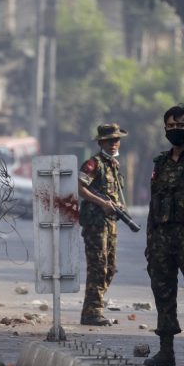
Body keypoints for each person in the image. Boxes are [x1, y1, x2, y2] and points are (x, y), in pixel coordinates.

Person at [144, 105, 184, 366]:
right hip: (162, 238)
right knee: (163, 292)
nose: (175, 130)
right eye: (171, 126)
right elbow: (154, 204)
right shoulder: (160, 164)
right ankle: (166, 351)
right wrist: (150, 242)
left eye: (180, 126)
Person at [78, 123, 129, 326]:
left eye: (116, 140)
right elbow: (80, 188)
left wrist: (118, 206)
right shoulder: (93, 164)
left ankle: (91, 308)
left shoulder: (114, 166)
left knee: (110, 268)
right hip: (95, 224)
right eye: (110, 140)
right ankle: (92, 311)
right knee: (98, 266)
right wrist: (102, 203)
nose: (114, 144)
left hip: (110, 224)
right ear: (101, 142)